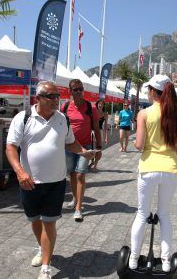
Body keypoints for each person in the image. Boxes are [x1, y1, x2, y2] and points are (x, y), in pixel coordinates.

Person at [6, 81, 94, 279]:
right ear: (39, 98)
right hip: (29, 182)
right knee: (34, 219)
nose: (57, 100)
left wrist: (83, 151)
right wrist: (20, 172)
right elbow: (10, 147)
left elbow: (70, 142)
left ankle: (46, 265)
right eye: (51, 96)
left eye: (58, 96)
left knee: (49, 222)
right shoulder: (24, 118)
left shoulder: (62, 119)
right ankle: (42, 247)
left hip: (56, 182)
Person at [130, 74, 177, 272]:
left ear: (153, 91)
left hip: (148, 168)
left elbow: (138, 145)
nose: (147, 92)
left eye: (148, 89)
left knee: (142, 214)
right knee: (164, 215)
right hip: (170, 169)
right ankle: (165, 261)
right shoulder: (175, 115)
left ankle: (134, 260)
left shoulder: (144, 113)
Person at [61, 79, 101, 222]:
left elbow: (96, 128)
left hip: (86, 147)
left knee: (80, 175)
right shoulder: (65, 107)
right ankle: (74, 198)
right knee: (71, 174)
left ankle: (78, 207)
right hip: (69, 146)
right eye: (75, 89)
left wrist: (100, 148)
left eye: (80, 89)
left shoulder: (91, 108)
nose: (78, 92)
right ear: (70, 91)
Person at [90, 99, 108, 172]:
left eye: (102, 104)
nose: (100, 105)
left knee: (99, 150)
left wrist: (106, 137)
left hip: (99, 132)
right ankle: (92, 162)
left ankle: (95, 165)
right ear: (97, 104)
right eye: (99, 104)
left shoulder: (105, 114)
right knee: (91, 149)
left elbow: (105, 127)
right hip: (91, 132)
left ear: (103, 105)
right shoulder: (93, 112)